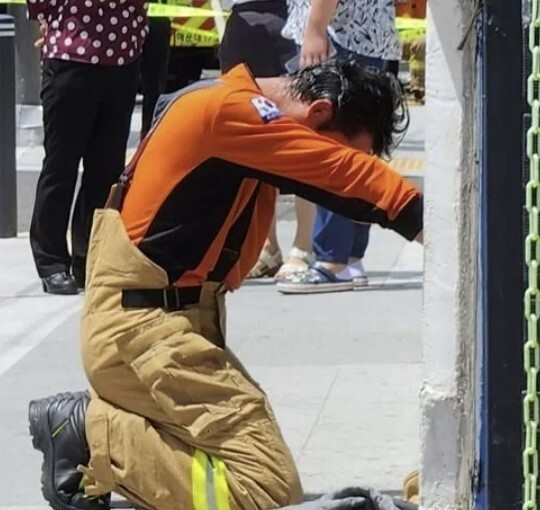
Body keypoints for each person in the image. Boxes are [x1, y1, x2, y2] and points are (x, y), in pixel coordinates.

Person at [28, 59, 423, 510]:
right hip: (142, 333)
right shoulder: (232, 111)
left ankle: (110, 435)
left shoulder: (234, 110)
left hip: (163, 328)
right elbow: (339, 174)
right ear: (318, 113)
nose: (327, 159)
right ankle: (89, 432)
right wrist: (425, 219)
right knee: (265, 488)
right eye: (349, 148)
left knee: (247, 467)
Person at [277, 0, 404, 294]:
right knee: (358, 152)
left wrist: (315, 28)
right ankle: (349, 257)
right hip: (365, 38)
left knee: (333, 151)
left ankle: (332, 260)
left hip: (340, 39)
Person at [27, 0, 148, 295]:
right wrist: (46, 18)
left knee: (106, 170)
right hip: (71, 55)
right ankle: (52, 261)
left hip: (122, 55)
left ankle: (90, 258)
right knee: (61, 165)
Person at [220, 0, 317, 280]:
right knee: (253, 136)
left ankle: (303, 245)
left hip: (292, 18)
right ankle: (266, 245)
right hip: (242, 20)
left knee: (300, 134)